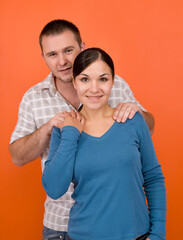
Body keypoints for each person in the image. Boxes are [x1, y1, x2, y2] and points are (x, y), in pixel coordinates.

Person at [9, 19, 155, 239]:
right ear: (43, 57)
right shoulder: (33, 98)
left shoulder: (113, 85)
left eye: (68, 50)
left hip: (114, 222)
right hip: (59, 223)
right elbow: (17, 157)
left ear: (82, 47)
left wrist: (136, 111)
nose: (63, 61)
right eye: (52, 54)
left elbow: (148, 130)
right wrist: (49, 128)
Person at [42, 48, 166, 240]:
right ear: (74, 82)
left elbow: (153, 177)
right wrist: (71, 133)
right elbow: (54, 188)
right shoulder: (64, 129)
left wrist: (158, 234)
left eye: (103, 79)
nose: (94, 88)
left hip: (137, 235)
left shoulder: (132, 121)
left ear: (113, 81)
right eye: (84, 79)